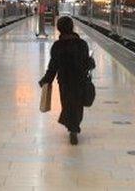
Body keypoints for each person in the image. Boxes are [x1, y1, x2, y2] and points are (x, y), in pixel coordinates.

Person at [39, 16, 94, 145]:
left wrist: (46, 80)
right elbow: (87, 63)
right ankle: (74, 127)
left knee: (67, 103)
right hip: (80, 80)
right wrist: (91, 62)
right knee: (77, 105)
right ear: (72, 27)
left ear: (59, 29)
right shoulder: (82, 44)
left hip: (64, 81)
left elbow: (53, 66)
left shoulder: (58, 46)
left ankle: (72, 128)